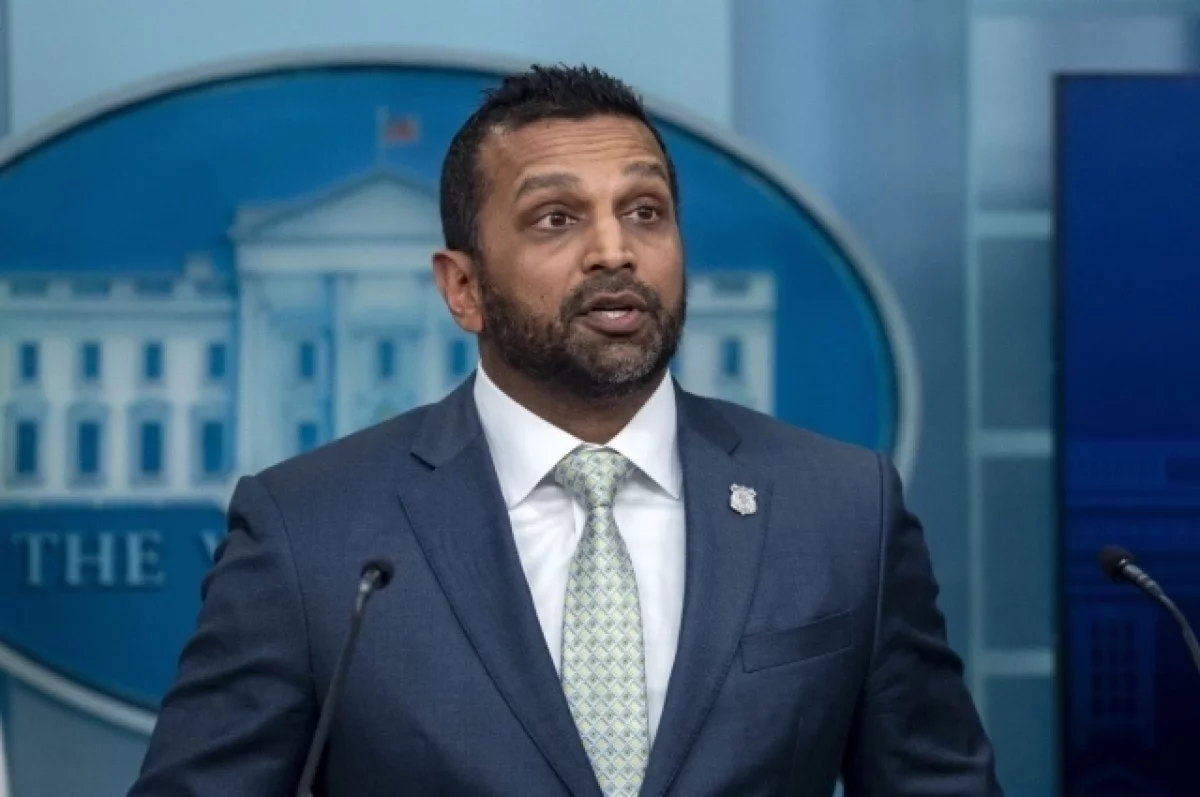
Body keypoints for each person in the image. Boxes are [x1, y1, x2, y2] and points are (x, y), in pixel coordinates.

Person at [128, 64, 1001, 797]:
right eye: (557, 218)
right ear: (463, 287)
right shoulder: (309, 532)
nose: (614, 251)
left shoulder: (841, 510)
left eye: (645, 211)